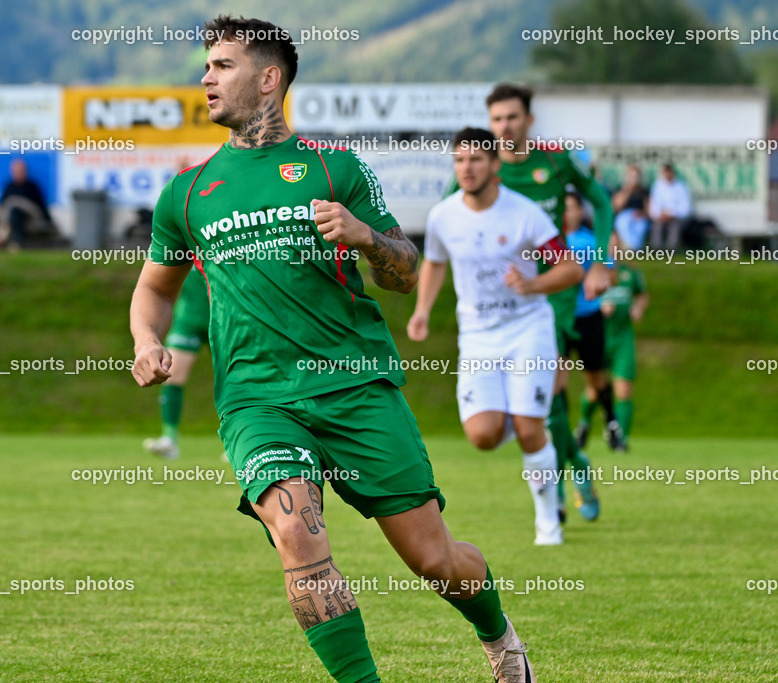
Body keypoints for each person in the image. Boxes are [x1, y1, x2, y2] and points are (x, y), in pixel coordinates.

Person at [131, 16, 535, 683]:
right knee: (297, 535)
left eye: (223, 65)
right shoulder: (188, 192)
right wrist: (146, 339)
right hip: (258, 400)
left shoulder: (333, 168)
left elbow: (405, 272)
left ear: (269, 78)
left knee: (434, 560)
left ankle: (500, 638)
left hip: (355, 387)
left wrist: (365, 238)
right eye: (206, 65)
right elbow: (153, 288)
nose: (206, 78)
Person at [408, 127, 584, 546]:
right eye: (459, 160)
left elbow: (570, 268)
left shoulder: (524, 213)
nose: (466, 168)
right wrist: (422, 311)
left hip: (528, 329)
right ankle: (523, 416)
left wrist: (532, 284)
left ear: (494, 165)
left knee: (529, 428)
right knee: (483, 436)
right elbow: (434, 262)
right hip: (477, 336)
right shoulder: (443, 216)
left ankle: (548, 523)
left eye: (475, 159)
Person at [448, 83, 608, 522]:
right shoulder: (479, 166)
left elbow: (599, 200)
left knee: (551, 390)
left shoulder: (555, 161)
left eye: (512, 117)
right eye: (496, 119)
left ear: (529, 120)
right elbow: (448, 219)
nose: (504, 126)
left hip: (551, 293)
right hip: (499, 304)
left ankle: (556, 489)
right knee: (545, 400)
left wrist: (598, 262)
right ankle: (573, 467)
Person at [563, 192, 624, 451]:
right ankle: (560, 433)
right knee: (556, 378)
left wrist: (600, 284)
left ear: (581, 211)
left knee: (596, 378)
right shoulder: (549, 240)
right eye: (564, 207)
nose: (568, 213)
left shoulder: (590, 242)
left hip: (588, 317)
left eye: (572, 207)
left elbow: (612, 274)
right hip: (559, 318)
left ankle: (611, 423)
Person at [578, 231, 649, 452]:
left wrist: (638, 308)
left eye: (616, 245)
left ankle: (619, 439)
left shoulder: (629, 273)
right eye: (609, 246)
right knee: (594, 390)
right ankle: (583, 425)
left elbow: (642, 295)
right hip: (599, 334)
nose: (613, 250)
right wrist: (599, 305)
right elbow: (582, 299)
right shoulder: (592, 272)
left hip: (622, 337)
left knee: (623, 390)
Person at [142, 267, 211, 460]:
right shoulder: (180, 249)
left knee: (233, 379)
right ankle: (169, 440)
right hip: (188, 319)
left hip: (222, 318)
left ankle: (239, 440)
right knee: (171, 374)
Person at [0, 159, 52, 249]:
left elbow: (40, 205)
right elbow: (1, 205)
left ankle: (1, 235)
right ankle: (15, 242)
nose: (18, 173)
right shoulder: (9, 186)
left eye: (20, 171)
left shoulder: (32, 186)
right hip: (14, 219)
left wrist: (48, 221)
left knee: (14, 204)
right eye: (16, 171)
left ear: (25, 171)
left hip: (30, 218)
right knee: (15, 212)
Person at [648, 163, 691, 250]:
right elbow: (653, 207)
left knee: (674, 226)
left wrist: (671, 214)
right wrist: (660, 215)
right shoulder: (657, 186)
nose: (667, 175)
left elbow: (686, 209)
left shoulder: (681, 187)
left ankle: (671, 250)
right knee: (657, 225)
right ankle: (657, 250)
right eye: (665, 173)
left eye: (669, 173)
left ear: (673, 173)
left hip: (677, 218)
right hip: (661, 217)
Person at [611, 164, 649, 251]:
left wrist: (641, 213)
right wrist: (628, 190)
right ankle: (632, 248)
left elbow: (649, 209)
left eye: (636, 176)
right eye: (631, 176)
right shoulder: (621, 188)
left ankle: (633, 248)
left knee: (640, 227)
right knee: (623, 224)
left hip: (639, 216)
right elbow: (617, 206)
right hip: (624, 215)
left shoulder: (644, 191)